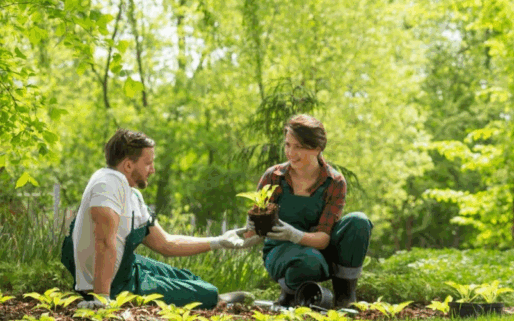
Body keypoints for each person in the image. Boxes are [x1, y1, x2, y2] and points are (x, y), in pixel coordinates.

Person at [61, 129, 255, 310]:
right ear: (128, 165)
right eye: (147, 163)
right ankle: (216, 300)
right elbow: (103, 241)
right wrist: (101, 299)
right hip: (115, 285)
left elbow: (166, 244)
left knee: (188, 278)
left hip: (127, 267)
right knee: (208, 293)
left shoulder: (132, 195)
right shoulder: (108, 182)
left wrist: (219, 241)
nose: (152, 170)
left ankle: (214, 298)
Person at [248, 114, 373, 308]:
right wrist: (245, 232)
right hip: (281, 250)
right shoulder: (274, 177)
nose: (290, 152)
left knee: (359, 221)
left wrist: (295, 234)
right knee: (308, 262)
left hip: (319, 246)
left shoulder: (334, 182)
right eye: (288, 145)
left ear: (316, 148)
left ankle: (345, 296)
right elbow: (255, 228)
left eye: (298, 147)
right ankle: (291, 294)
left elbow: (323, 238)